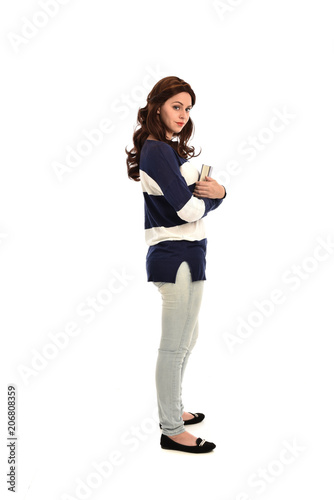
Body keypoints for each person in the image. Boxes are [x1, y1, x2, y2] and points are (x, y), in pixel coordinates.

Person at [125, 76, 226, 454]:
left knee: (188, 338)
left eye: (187, 108)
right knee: (174, 345)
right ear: (157, 108)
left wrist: (211, 195)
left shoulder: (169, 150)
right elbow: (188, 209)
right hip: (176, 256)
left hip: (189, 254)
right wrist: (219, 195)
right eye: (176, 106)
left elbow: (188, 204)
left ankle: (174, 409)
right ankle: (170, 429)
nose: (183, 114)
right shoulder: (157, 151)